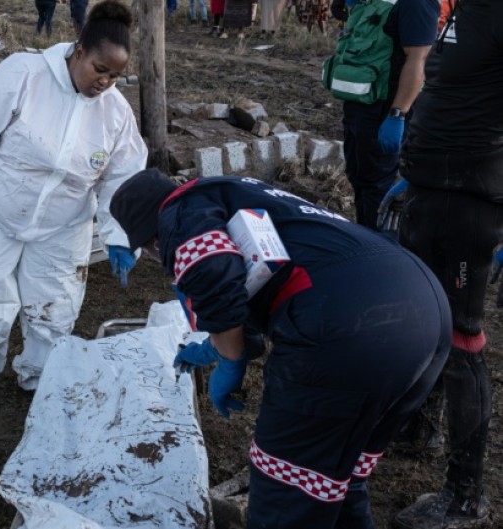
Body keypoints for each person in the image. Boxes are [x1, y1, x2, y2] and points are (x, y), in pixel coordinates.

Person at [110, 169, 451, 528]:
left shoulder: (178, 214)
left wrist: (230, 360)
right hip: (423, 306)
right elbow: (254, 277)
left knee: (285, 488)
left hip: (350, 324)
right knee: (335, 473)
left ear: (152, 239)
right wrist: (217, 345)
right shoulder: (233, 192)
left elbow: (210, 270)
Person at [0, 0, 147, 398]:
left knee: (55, 304)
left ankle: (40, 377)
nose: (105, 82)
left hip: (63, 225)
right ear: (79, 50)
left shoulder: (115, 114)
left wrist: (120, 236)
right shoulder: (24, 75)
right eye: (99, 69)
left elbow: (122, 178)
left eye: (114, 76)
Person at [376, 0, 503, 526]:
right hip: (431, 188)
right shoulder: (464, 7)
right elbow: (449, 90)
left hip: (467, 200)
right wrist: (414, 172)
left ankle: (465, 496)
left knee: (460, 339)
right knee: (422, 320)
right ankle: (418, 427)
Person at [333, 0, 439, 230]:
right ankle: (365, 235)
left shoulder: (417, 4)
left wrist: (397, 114)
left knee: (378, 186)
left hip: (386, 111)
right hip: (360, 107)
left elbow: (419, 60)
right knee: (359, 178)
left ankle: (379, 243)